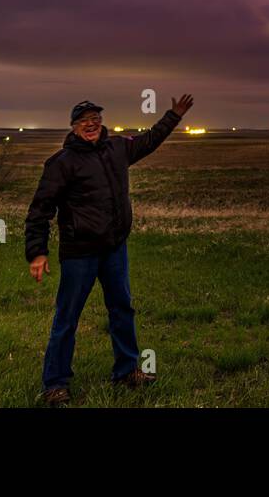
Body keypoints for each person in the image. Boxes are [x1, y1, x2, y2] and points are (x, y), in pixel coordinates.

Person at [26, 93, 194, 405]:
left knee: (122, 309)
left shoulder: (117, 148)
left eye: (95, 120)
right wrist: (37, 251)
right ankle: (54, 383)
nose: (90, 125)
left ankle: (127, 370)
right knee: (67, 317)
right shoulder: (62, 163)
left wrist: (173, 116)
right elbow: (40, 209)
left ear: (101, 123)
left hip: (115, 248)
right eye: (83, 122)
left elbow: (150, 140)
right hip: (80, 252)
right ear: (74, 127)